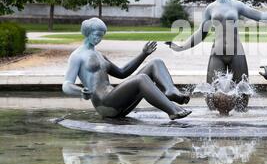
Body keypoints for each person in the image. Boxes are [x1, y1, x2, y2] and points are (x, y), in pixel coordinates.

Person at [166, 0, 267, 110]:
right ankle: (215, 122)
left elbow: (260, 16)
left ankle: (241, 123)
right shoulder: (210, 8)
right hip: (217, 52)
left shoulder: (237, 5)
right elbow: (201, 33)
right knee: (211, 96)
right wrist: (181, 47)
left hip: (236, 51)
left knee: (243, 95)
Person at [62, 18, 191, 120]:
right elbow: (66, 85)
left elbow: (122, 72)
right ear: (87, 33)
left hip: (115, 100)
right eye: (96, 35)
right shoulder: (77, 56)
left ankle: (170, 91)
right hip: (104, 104)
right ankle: (172, 110)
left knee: (155, 63)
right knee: (141, 79)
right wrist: (80, 91)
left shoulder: (99, 55)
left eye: (101, 36)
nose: (99, 39)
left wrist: (143, 54)